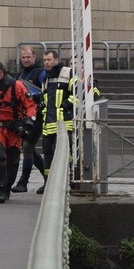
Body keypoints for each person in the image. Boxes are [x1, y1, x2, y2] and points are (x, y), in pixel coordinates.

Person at [0, 60, 37, 203]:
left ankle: (7, 187)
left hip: (14, 129)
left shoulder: (17, 86)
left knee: (13, 160)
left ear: (0, 72)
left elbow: (31, 105)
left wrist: (29, 123)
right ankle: (0, 188)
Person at [38, 49, 77, 194]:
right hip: (48, 123)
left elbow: (78, 94)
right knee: (47, 153)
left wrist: (64, 107)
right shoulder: (46, 77)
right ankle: (47, 183)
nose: (46, 63)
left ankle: (70, 181)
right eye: (44, 60)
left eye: (49, 60)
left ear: (56, 60)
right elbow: (45, 99)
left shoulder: (68, 73)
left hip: (63, 122)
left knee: (66, 154)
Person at [12, 46, 46, 193]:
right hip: (24, 117)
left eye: (28, 57)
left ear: (34, 57)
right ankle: (48, 177)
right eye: (23, 57)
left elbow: (45, 90)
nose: (25, 60)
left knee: (27, 146)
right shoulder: (20, 75)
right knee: (29, 149)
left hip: (37, 116)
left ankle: (23, 182)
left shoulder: (40, 72)